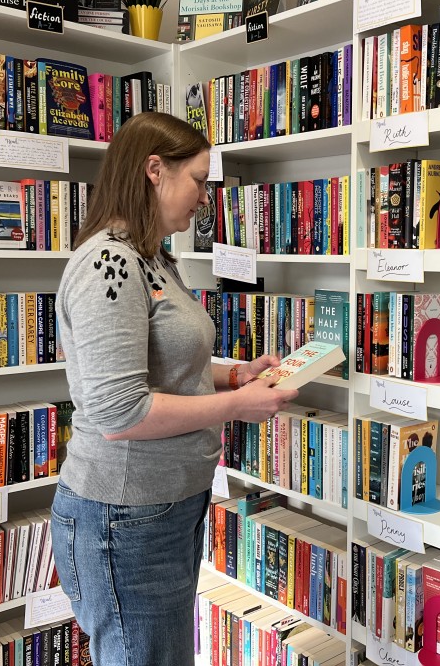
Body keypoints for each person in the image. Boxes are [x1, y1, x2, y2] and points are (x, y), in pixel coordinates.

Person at [50, 111, 298, 666]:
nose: (205, 198)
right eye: (200, 180)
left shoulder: (154, 257)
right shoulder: (109, 265)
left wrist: (236, 374)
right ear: (154, 170)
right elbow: (120, 413)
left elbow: (164, 365)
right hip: (125, 519)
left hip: (162, 511)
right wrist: (237, 405)